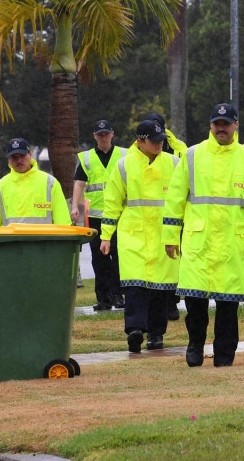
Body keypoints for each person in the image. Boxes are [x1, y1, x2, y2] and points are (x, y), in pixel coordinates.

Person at [162, 103, 244, 367]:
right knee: (195, 302)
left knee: (228, 305)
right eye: (216, 124)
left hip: (232, 242)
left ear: (236, 125)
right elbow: (175, 198)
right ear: (210, 126)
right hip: (199, 240)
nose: (221, 128)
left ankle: (224, 354)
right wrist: (169, 235)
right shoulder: (192, 155)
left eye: (226, 123)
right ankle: (195, 345)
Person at [100, 119, 181, 353]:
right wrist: (106, 236)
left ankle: (156, 334)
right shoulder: (124, 166)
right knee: (135, 286)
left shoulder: (174, 163)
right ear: (140, 141)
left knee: (160, 289)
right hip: (133, 235)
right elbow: (112, 202)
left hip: (164, 235)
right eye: (154, 141)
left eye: (161, 141)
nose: (159, 145)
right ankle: (134, 329)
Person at [0, 138, 71, 273]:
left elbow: (63, 220)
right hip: (10, 252)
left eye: (22, 155)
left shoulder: (49, 182)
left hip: (44, 251)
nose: (19, 160)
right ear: (8, 160)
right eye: (14, 157)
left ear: (30, 154)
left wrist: (64, 251)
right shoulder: (0, 187)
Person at [71, 120, 127, 311]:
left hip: (119, 214)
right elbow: (79, 183)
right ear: (94, 136)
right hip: (95, 216)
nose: (103, 137)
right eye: (99, 134)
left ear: (112, 134)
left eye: (106, 134)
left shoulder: (124, 155)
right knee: (99, 257)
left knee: (118, 256)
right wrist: (75, 206)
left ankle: (118, 295)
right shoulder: (86, 158)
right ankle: (103, 299)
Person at [145, 112, 186, 321]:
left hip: (175, 213)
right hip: (151, 216)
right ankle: (157, 302)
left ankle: (172, 302)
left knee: (174, 260)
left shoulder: (178, 148)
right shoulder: (144, 147)